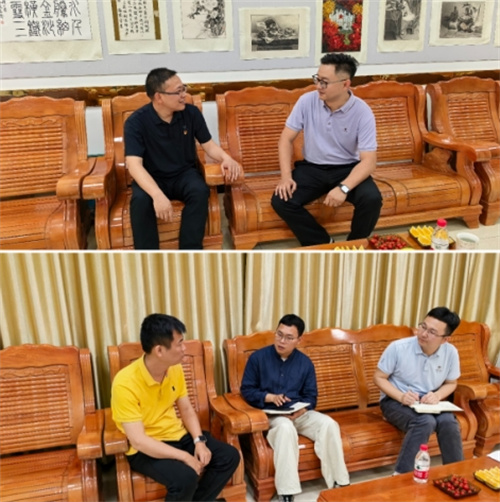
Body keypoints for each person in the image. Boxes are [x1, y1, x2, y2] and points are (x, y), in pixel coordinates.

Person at [110, 314, 240, 501]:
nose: (184, 348)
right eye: (179, 343)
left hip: (177, 435)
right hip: (147, 448)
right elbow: (139, 441)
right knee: (185, 478)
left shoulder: (174, 368)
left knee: (229, 456)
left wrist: (199, 441)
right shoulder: (124, 383)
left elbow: (186, 409)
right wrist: (185, 457)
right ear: (159, 350)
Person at [271, 53, 382, 247]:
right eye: (317, 79)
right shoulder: (306, 101)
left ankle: (354, 246)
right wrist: (286, 177)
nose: (318, 86)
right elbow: (285, 139)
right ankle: (324, 243)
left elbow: (369, 161)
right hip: (312, 168)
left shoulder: (362, 112)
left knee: (372, 199)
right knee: (281, 200)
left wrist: (343, 188)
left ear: (345, 84)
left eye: (325, 82)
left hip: (347, 168)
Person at [125, 68, 241, 249]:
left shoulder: (191, 113)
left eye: (183, 89)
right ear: (159, 97)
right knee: (140, 201)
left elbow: (209, 145)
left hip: (183, 174)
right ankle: (148, 257)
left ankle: (189, 252)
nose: (184, 95)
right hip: (152, 176)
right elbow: (134, 165)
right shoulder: (135, 122)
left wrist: (226, 158)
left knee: (199, 191)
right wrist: (157, 195)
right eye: (178, 91)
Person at [240, 314, 349, 502]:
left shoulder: (305, 363)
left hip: (299, 413)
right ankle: (286, 492)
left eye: (289, 338)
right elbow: (247, 390)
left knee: (329, 424)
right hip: (272, 414)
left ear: (299, 340)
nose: (282, 341)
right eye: (279, 334)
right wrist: (269, 397)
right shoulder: (258, 358)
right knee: (285, 428)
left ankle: (339, 483)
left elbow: (311, 396)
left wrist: (303, 410)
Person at [373, 307, 464, 475]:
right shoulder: (398, 348)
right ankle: (401, 476)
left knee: (449, 422)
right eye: (423, 326)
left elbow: (451, 383)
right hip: (395, 400)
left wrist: (437, 395)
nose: (423, 334)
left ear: (445, 339)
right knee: (425, 421)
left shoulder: (451, 352)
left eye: (432, 332)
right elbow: (379, 377)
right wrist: (401, 396)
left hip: (428, 402)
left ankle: (456, 474)